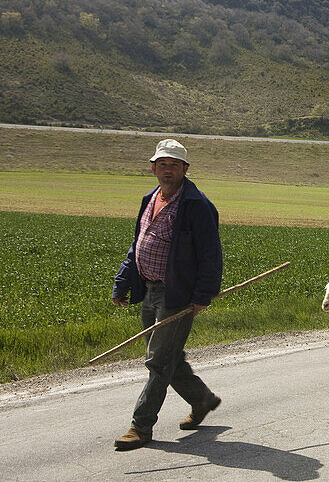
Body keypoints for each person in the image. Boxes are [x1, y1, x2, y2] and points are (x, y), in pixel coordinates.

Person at [111, 138, 223, 451]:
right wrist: (123, 282)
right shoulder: (150, 198)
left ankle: (141, 427)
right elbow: (138, 244)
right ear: (153, 168)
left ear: (185, 169)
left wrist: (203, 294)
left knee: (158, 362)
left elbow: (211, 254)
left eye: (174, 164)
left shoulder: (197, 205)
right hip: (149, 289)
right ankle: (202, 399)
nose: (167, 169)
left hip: (177, 295)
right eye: (163, 164)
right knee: (167, 356)